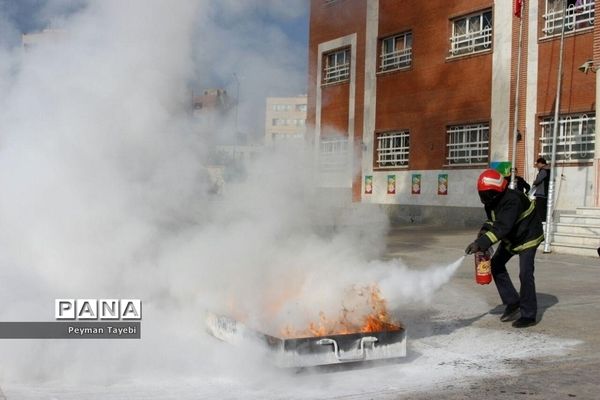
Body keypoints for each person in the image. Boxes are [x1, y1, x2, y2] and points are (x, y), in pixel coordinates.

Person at [465, 169, 544, 328]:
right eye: (481, 193)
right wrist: (482, 233)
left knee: (525, 273)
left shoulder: (512, 200)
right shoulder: (491, 202)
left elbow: (502, 228)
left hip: (528, 236)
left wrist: (481, 243)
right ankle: (513, 302)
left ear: (495, 191)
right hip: (512, 237)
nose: (483, 198)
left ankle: (528, 315)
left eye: (485, 194)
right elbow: (493, 221)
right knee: (496, 265)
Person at [532, 157, 551, 222]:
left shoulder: (543, 170)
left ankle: (541, 222)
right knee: (543, 209)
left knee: (540, 209)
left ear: (540, 163)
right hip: (546, 192)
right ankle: (543, 221)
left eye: (537, 165)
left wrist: (534, 182)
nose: (537, 167)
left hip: (541, 193)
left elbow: (538, 180)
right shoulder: (548, 170)